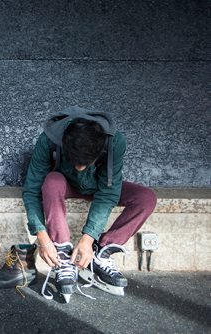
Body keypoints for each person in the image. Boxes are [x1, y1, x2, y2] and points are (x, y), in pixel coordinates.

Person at [22, 106, 157, 302]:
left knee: (146, 198)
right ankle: (62, 253)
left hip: (98, 187)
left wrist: (88, 239)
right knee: (51, 181)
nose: (79, 168)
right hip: (65, 185)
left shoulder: (115, 142)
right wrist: (42, 237)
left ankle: (100, 252)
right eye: (74, 161)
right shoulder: (48, 139)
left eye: (86, 163)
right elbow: (32, 190)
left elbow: (108, 193)